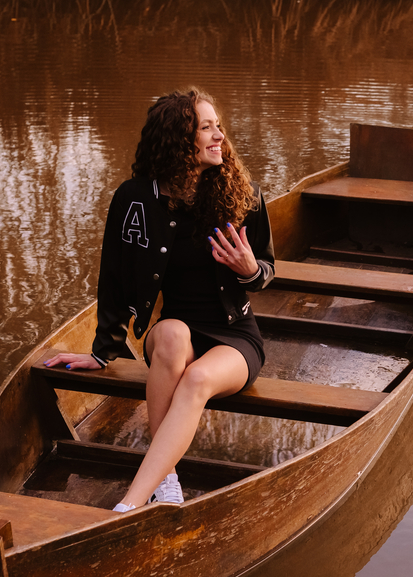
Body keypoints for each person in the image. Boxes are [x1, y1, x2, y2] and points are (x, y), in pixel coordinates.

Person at [44, 89, 274, 513]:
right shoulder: (134, 199)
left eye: (217, 126)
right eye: (206, 128)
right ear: (177, 139)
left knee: (197, 380)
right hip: (178, 332)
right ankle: (166, 479)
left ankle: (130, 502)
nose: (219, 136)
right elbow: (113, 276)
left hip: (235, 338)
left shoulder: (245, 196)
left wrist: (248, 270)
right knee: (168, 336)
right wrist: (103, 350)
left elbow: (266, 272)